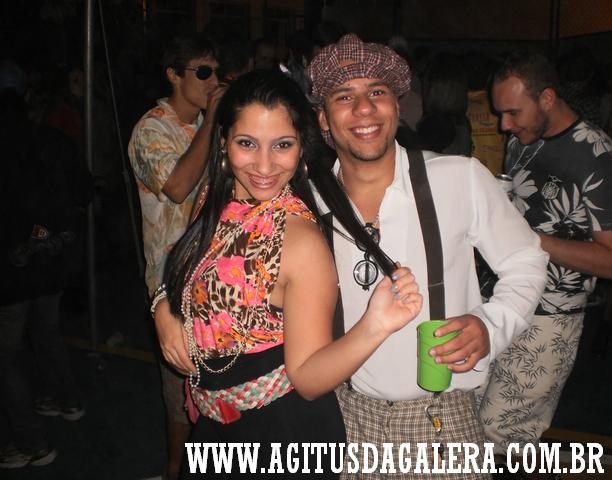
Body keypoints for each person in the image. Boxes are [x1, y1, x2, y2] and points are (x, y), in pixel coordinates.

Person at [153, 70, 422, 477]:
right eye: (247, 143)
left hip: (282, 438)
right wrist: (163, 309)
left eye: (282, 145)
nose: (264, 165)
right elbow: (187, 269)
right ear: (223, 140)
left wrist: (375, 326)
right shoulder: (214, 197)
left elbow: (308, 378)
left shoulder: (299, 240)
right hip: (215, 426)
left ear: (301, 147)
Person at [306, 34, 548, 478]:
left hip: (440, 422)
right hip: (341, 419)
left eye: (377, 92)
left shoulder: (458, 178)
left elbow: (526, 261)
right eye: (344, 96)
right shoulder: (307, 201)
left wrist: (490, 326)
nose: (364, 108)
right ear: (323, 117)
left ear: (397, 106)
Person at [481, 51, 612, 474]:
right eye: (501, 112)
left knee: (503, 439)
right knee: (466, 421)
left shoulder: (600, 158)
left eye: (513, 112)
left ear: (547, 97)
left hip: (549, 317)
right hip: (496, 300)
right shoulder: (521, 141)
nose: (503, 125)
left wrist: (531, 240)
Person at [128, 33, 225, 480]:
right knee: (180, 393)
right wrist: (213, 122)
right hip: (173, 283)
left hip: (218, 275)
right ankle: (174, 471)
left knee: (217, 387)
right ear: (173, 75)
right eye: (202, 72)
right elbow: (178, 186)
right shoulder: (151, 129)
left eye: (216, 72)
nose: (212, 81)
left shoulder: (210, 123)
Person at [0, 71, 90, 468]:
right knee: (45, 331)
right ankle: (67, 399)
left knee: (6, 354)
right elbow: (84, 189)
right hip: (52, 260)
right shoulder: (51, 139)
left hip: (13, 269)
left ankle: (30, 443)